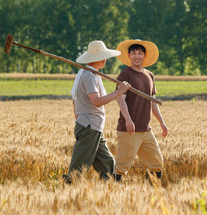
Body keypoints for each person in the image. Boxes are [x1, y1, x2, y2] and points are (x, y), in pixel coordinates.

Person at [63, 40, 131, 184]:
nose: (106, 60)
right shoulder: (88, 75)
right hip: (89, 127)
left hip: (93, 127)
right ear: (99, 59)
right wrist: (119, 92)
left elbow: (75, 100)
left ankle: (111, 188)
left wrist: (79, 119)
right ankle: (67, 190)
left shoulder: (91, 74)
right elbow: (97, 101)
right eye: (104, 57)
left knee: (108, 163)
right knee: (78, 169)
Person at [113, 40, 168, 182]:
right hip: (129, 129)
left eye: (140, 53)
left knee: (156, 163)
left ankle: (151, 196)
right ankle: (112, 193)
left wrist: (161, 122)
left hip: (146, 129)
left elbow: (153, 102)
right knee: (122, 166)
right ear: (129, 56)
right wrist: (128, 120)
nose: (137, 56)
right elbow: (120, 99)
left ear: (144, 55)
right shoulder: (125, 75)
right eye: (133, 53)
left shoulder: (149, 75)